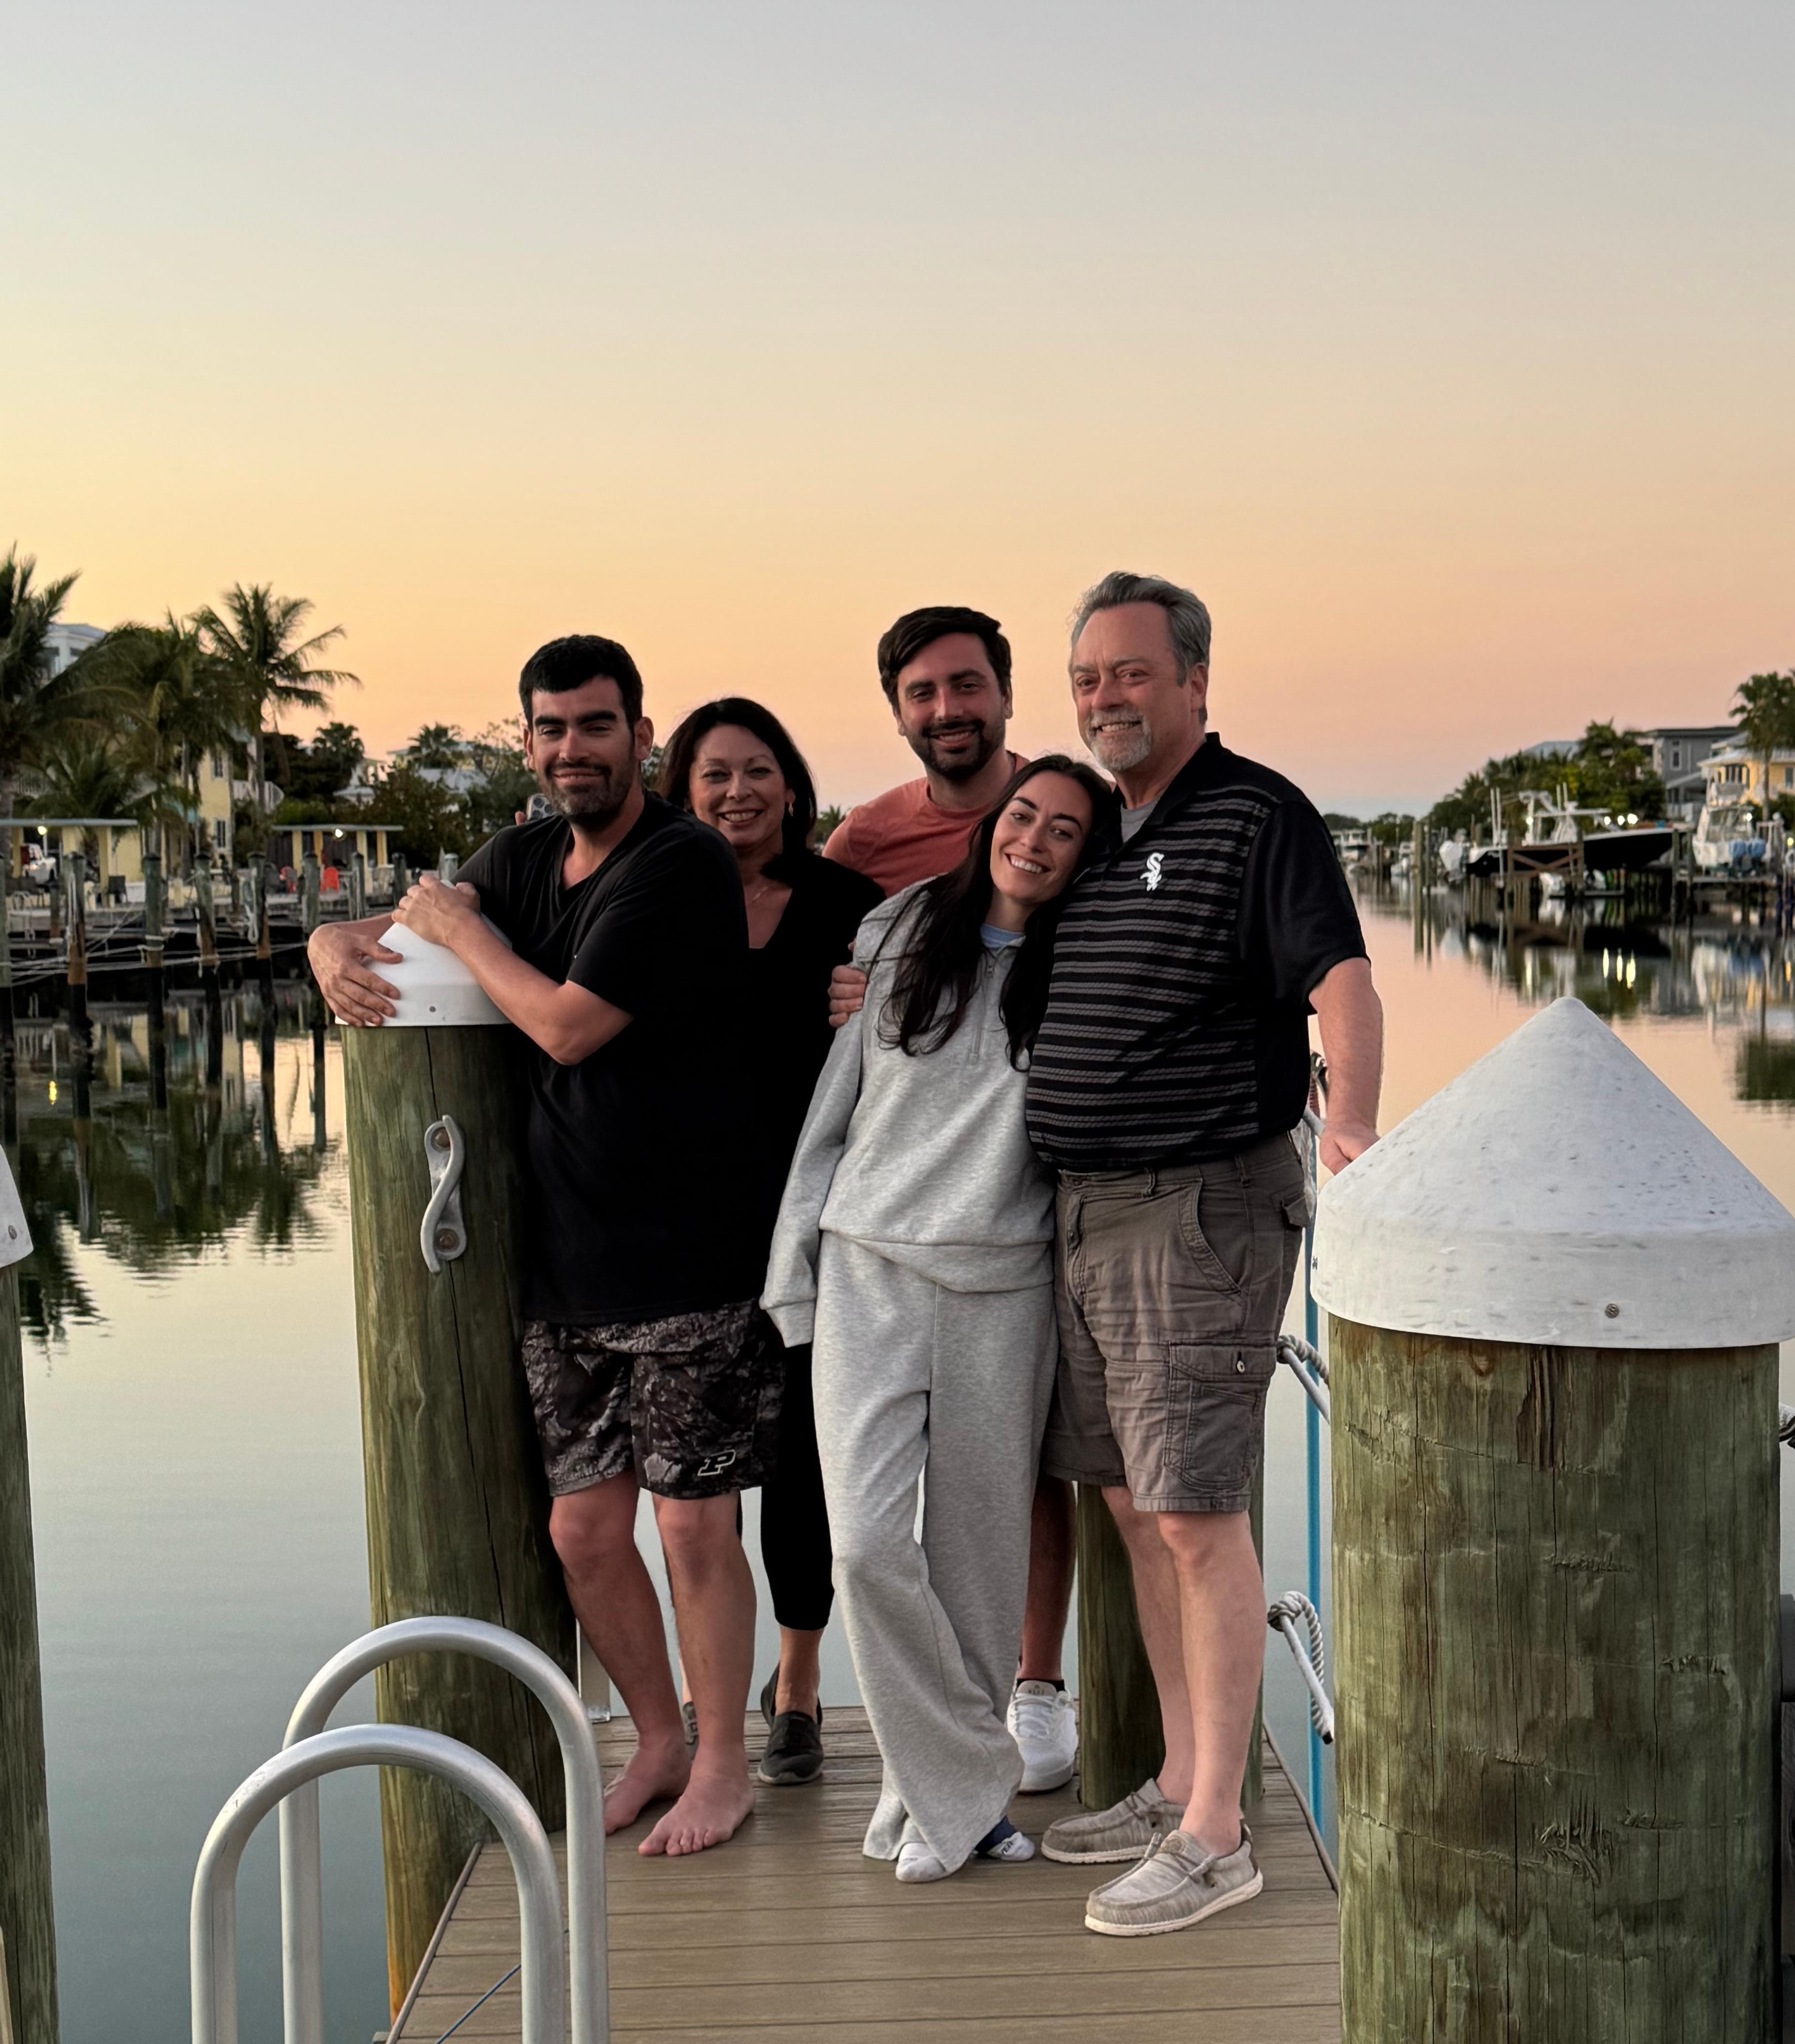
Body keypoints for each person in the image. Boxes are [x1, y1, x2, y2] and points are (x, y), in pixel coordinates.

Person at [307, 634, 777, 1858]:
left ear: (642, 737)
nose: (574, 748)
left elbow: (566, 1028)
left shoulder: (678, 866)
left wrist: (465, 939)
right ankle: (658, 1739)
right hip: (560, 1266)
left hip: (686, 1256)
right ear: (527, 741)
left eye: (597, 725)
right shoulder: (521, 856)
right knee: (581, 1531)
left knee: (692, 1526)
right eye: (551, 728)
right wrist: (327, 944)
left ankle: (725, 1762)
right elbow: (415, 921)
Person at [1026, 572, 1383, 1936]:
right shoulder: (1097, 831)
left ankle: (1217, 1832)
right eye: (1085, 678)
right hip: (1083, 1209)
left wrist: (1346, 1119)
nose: (1103, 697)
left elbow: (1337, 979)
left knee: (1192, 1511)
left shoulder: (1256, 814)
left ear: (1191, 682)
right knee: (1126, 1501)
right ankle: (1178, 1775)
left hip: (1198, 1209)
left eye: (1125, 673)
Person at [765, 756, 1116, 1883]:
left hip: (1003, 1286)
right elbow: (834, 1106)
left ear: (1084, 858)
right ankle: (959, 1792)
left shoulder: (1087, 970)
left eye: (1066, 831)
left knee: (973, 1569)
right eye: (1024, 816)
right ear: (992, 826)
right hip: (869, 1267)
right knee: (867, 1545)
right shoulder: (899, 932)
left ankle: (940, 1806)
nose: (1035, 839)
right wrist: (796, 1263)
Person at [823, 604, 1080, 1795]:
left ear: (1006, 693)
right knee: (874, 1534)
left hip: (1030, 1219)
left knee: (1027, 1482)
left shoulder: (1082, 812)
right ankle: (940, 1752)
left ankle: (1031, 1689)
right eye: (923, 693)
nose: (947, 710)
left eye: (966, 687)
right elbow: (796, 944)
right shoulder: (869, 841)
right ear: (897, 709)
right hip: (889, 1214)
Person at [656, 697, 882, 1788]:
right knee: (696, 1484)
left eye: (755, 770)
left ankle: (795, 1688)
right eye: (712, 774)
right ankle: (709, 1714)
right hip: (683, 1219)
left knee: (802, 1459)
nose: (736, 791)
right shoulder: (649, 897)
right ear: (681, 790)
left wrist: (878, 1001)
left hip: (816, 1218)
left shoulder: (847, 904)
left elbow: (924, 1021)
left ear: (791, 785)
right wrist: (334, 937)